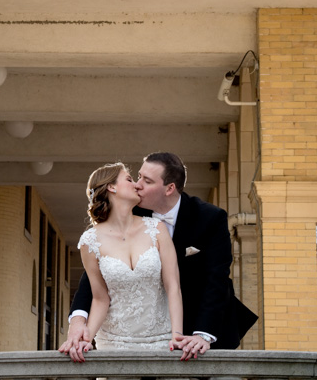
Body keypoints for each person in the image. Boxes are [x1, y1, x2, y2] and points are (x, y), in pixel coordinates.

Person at [42, 160, 212, 380]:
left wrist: (176, 334)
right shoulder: (89, 242)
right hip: (117, 339)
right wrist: (85, 338)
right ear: (111, 187)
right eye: (129, 178)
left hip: (160, 337)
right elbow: (99, 298)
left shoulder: (156, 229)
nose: (136, 183)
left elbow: (173, 286)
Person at [63, 151, 257, 363]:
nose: (137, 185)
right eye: (136, 177)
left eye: (146, 181)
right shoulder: (130, 210)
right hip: (128, 332)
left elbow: (216, 280)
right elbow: (99, 275)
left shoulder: (210, 218)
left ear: (169, 188)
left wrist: (202, 335)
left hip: (200, 322)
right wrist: (78, 322)